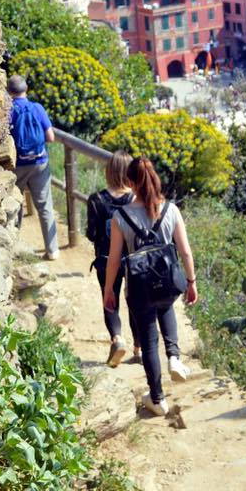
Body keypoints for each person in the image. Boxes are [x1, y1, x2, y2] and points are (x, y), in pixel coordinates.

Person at [103, 157, 198, 416]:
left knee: (148, 339)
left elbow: (113, 260)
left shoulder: (120, 216)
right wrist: (191, 282)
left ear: (130, 182)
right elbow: (186, 252)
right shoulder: (171, 210)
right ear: (155, 178)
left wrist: (109, 290)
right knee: (166, 309)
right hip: (166, 281)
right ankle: (175, 357)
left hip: (139, 286)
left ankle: (157, 399)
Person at [86, 151, 139, 368]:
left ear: (109, 172)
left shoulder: (96, 200)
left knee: (110, 299)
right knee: (135, 302)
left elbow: (91, 234)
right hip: (134, 260)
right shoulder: (136, 199)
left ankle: (117, 339)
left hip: (106, 259)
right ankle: (139, 348)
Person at [7, 74, 58, 260]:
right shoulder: (37, 108)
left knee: (15, 202)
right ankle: (52, 250)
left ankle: (13, 245)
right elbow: (51, 137)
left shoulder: (9, 110)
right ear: (26, 89)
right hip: (39, 162)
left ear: (9, 91)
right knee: (45, 207)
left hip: (18, 164)